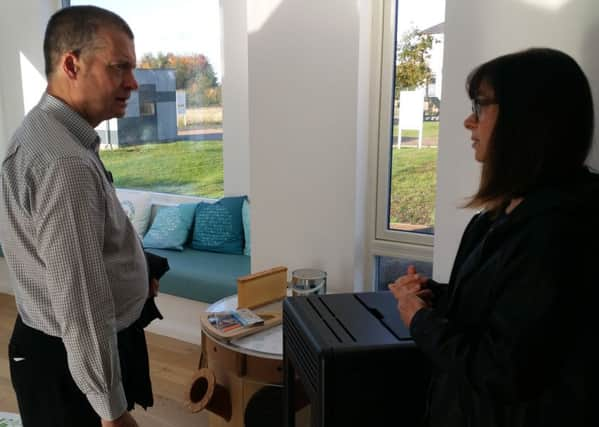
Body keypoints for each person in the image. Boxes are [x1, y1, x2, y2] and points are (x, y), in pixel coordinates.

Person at [389, 47, 599, 427]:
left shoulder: (561, 232)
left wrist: (421, 321)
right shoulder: (503, 211)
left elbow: (502, 370)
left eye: (481, 106)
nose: (470, 121)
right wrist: (435, 296)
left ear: (527, 119)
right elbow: (498, 308)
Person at [0, 6, 163, 427]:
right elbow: (81, 304)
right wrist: (110, 410)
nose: (132, 82)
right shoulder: (64, 164)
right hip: (68, 367)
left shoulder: (46, 132)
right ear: (72, 64)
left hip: (61, 349)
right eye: (119, 67)